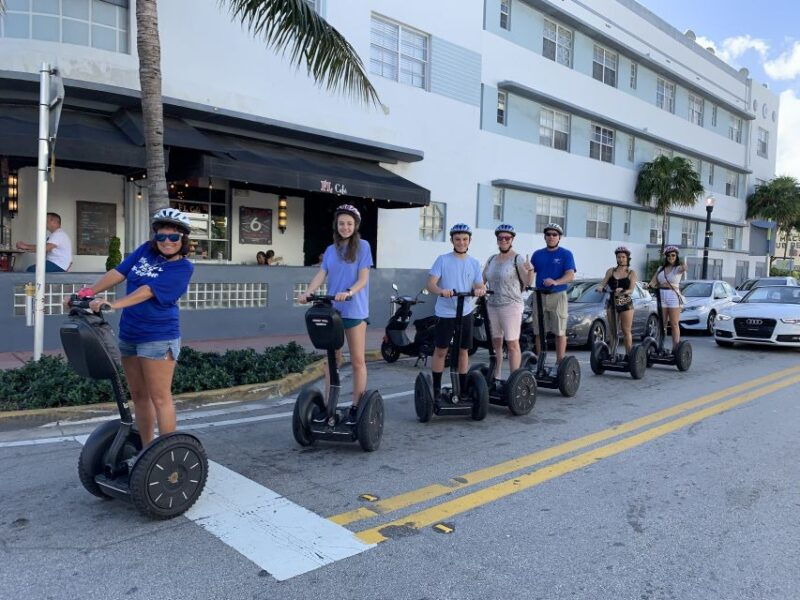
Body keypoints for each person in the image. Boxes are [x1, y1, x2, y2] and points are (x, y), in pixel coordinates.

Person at [72, 208, 194, 446]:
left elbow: (148, 290)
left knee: (160, 397)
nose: (167, 241)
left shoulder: (183, 268)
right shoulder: (145, 250)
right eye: (161, 236)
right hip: (130, 333)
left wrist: (114, 304)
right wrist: (86, 293)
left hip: (158, 337)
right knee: (139, 396)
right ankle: (147, 450)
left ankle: (166, 453)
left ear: (183, 239)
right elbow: (119, 272)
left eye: (173, 236)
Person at [299, 204, 371, 425]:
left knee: (357, 361)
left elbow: (363, 279)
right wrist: (308, 292)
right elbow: (321, 274)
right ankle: (330, 405)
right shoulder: (331, 250)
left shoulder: (363, 247)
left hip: (354, 310)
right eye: (341, 223)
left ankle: (356, 407)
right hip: (333, 311)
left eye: (349, 223)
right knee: (332, 361)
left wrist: (349, 292)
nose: (345, 227)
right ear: (336, 225)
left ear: (355, 225)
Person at [427, 223, 486, 398]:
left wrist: (480, 290)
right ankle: (436, 389)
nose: (461, 242)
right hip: (445, 313)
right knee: (441, 350)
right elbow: (430, 284)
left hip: (465, 312)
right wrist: (441, 291)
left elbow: (479, 284)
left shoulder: (474, 263)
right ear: (452, 240)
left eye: (465, 239)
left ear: (469, 241)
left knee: (463, 350)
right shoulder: (443, 260)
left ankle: (462, 389)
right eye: (458, 239)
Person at [482, 224, 533, 381]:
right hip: (492, 306)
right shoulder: (491, 259)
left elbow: (528, 282)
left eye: (507, 238)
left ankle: (514, 380)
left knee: (512, 344)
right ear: (497, 239)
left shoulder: (517, 259)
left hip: (511, 305)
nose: (503, 240)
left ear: (512, 240)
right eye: (500, 238)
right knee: (496, 343)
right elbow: (481, 280)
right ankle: (495, 376)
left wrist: (530, 270)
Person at [530, 223, 576, 364]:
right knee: (539, 331)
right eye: (548, 234)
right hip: (539, 295)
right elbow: (530, 274)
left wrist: (556, 282)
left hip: (558, 295)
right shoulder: (537, 254)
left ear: (559, 237)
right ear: (544, 237)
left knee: (559, 331)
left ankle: (560, 363)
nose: (551, 237)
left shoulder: (566, 254)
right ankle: (540, 362)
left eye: (554, 234)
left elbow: (570, 275)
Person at [596, 246, 638, 354]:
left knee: (626, 330)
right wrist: (600, 287)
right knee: (613, 331)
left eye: (623, 257)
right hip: (612, 302)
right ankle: (612, 354)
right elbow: (603, 283)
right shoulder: (611, 271)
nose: (621, 259)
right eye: (619, 257)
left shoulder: (631, 273)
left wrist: (623, 290)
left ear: (627, 258)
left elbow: (631, 290)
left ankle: (629, 354)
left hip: (625, 302)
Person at [649, 245, 686, 349]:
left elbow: (684, 268)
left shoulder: (677, 268)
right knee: (662, 323)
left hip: (673, 295)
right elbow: (653, 281)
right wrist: (649, 285)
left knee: (674, 323)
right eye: (668, 255)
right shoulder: (660, 269)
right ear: (666, 257)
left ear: (676, 256)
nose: (671, 257)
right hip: (661, 295)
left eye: (673, 255)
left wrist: (682, 261)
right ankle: (660, 347)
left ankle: (676, 347)